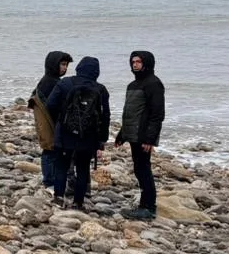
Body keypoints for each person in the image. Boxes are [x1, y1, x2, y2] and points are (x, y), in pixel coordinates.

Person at [45, 55, 110, 211]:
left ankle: (59, 197)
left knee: (61, 165)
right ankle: (78, 202)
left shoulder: (65, 83)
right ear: (97, 72)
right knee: (83, 168)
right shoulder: (101, 89)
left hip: (65, 133)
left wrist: (62, 118)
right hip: (88, 137)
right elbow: (105, 116)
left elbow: (50, 105)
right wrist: (102, 140)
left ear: (79, 68)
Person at [115, 50, 165, 220]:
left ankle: (149, 207)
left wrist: (150, 138)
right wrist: (122, 134)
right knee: (138, 168)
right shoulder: (132, 85)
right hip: (133, 134)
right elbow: (129, 112)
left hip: (144, 136)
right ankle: (144, 204)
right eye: (133, 61)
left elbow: (157, 114)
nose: (135, 64)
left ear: (147, 63)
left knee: (143, 169)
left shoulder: (154, 84)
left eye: (138, 61)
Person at [28, 51, 73, 202]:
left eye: (66, 65)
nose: (64, 68)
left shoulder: (49, 80)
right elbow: (52, 105)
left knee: (50, 151)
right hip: (49, 122)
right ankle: (50, 181)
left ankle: (52, 181)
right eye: (62, 64)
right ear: (53, 64)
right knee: (50, 151)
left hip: (48, 121)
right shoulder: (51, 82)